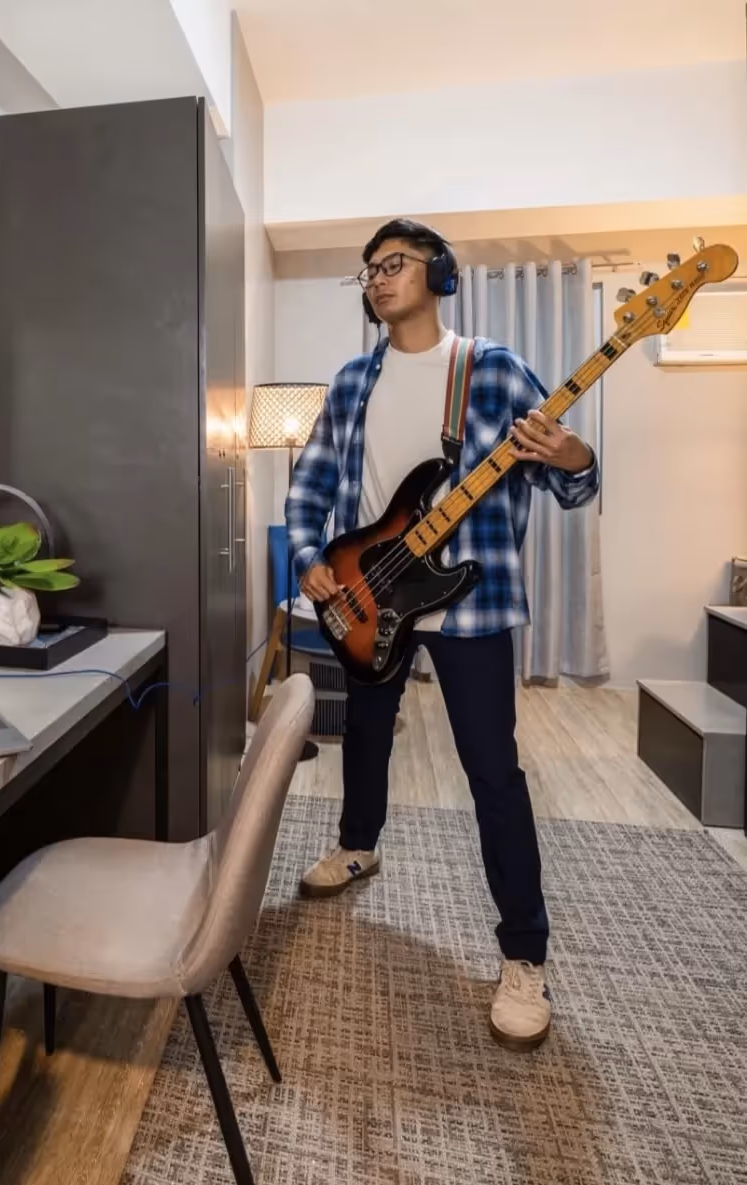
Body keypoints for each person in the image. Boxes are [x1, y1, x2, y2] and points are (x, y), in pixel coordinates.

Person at [287, 219, 598, 1052]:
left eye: (393, 264)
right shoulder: (353, 380)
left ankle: (524, 953)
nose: (378, 279)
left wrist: (571, 455)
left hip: (471, 602)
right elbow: (311, 480)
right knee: (364, 732)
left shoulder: (492, 369)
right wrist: (310, 555)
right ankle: (358, 844)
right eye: (368, 272)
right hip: (369, 593)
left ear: (440, 273)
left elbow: (572, 480)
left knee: (493, 770)